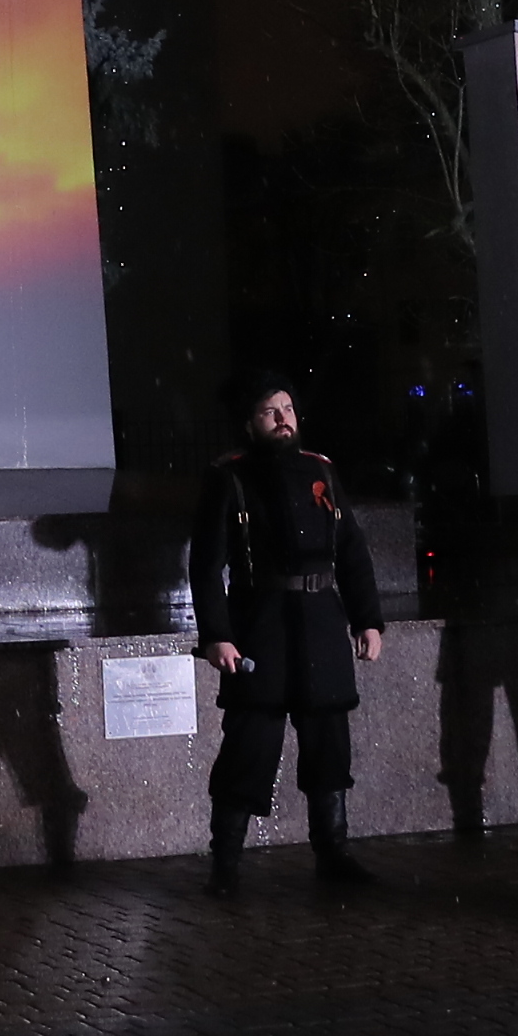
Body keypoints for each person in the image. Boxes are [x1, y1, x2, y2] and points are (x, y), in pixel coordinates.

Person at [194, 380, 391, 892]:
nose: (283, 419)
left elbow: (351, 551)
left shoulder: (320, 470)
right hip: (261, 625)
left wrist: (367, 620)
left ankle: (333, 854)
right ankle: (226, 865)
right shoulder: (231, 478)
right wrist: (217, 635)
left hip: (320, 622)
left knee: (329, 746)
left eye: (287, 409)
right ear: (250, 424)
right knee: (249, 747)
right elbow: (207, 565)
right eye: (269, 411)